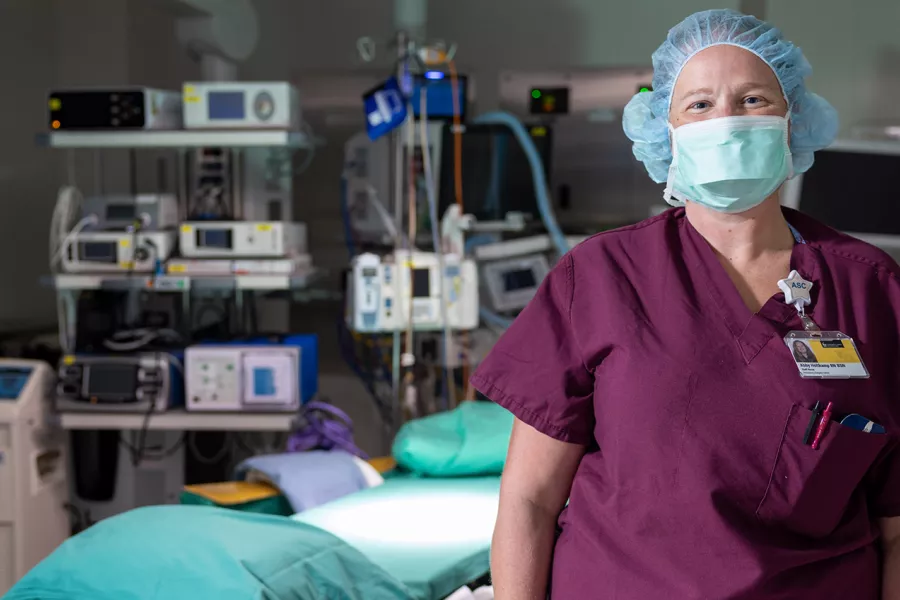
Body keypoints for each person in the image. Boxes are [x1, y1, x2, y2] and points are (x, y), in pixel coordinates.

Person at [471, 9, 900, 600]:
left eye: (752, 99)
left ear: (793, 119)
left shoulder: (869, 287)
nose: (726, 122)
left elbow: (896, 525)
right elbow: (529, 500)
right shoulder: (600, 277)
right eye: (699, 105)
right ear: (664, 132)